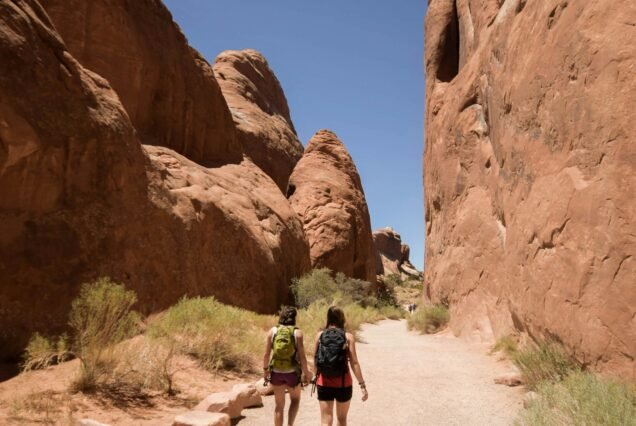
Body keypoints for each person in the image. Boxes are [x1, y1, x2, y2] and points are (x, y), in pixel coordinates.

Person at [314, 306, 368, 426]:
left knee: (325, 420)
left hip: (324, 382)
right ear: (342, 319)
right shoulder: (348, 337)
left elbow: (316, 359)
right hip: (344, 384)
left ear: (328, 318)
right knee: (342, 419)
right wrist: (362, 385)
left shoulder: (320, 335)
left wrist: (314, 377)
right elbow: (354, 363)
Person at [263, 306, 312, 426]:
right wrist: (306, 374)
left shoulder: (272, 331)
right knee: (295, 400)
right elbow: (302, 357)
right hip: (292, 373)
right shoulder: (297, 333)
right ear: (294, 318)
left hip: (276, 372)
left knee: (279, 406)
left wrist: (265, 371)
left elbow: (266, 354)